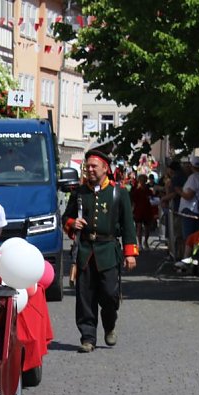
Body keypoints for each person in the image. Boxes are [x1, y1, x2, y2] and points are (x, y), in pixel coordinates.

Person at [61, 149, 138, 353]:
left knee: (110, 295)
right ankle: (88, 337)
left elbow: (128, 224)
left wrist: (130, 252)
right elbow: (66, 217)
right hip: (85, 251)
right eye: (87, 166)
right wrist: (72, 223)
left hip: (108, 250)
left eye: (94, 166)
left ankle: (109, 324)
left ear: (105, 168)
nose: (90, 170)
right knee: (85, 296)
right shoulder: (79, 192)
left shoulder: (118, 192)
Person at [130, 173, 156, 250]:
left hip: (146, 209)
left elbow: (151, 196)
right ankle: (140, 243)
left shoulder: (147, 188)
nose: (142, 181)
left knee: (147, 228)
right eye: (141, 180)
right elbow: (132, 200)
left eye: (144, 180)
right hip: (139, 210)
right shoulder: (135, 189)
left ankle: (145, 242)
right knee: (139, 227)